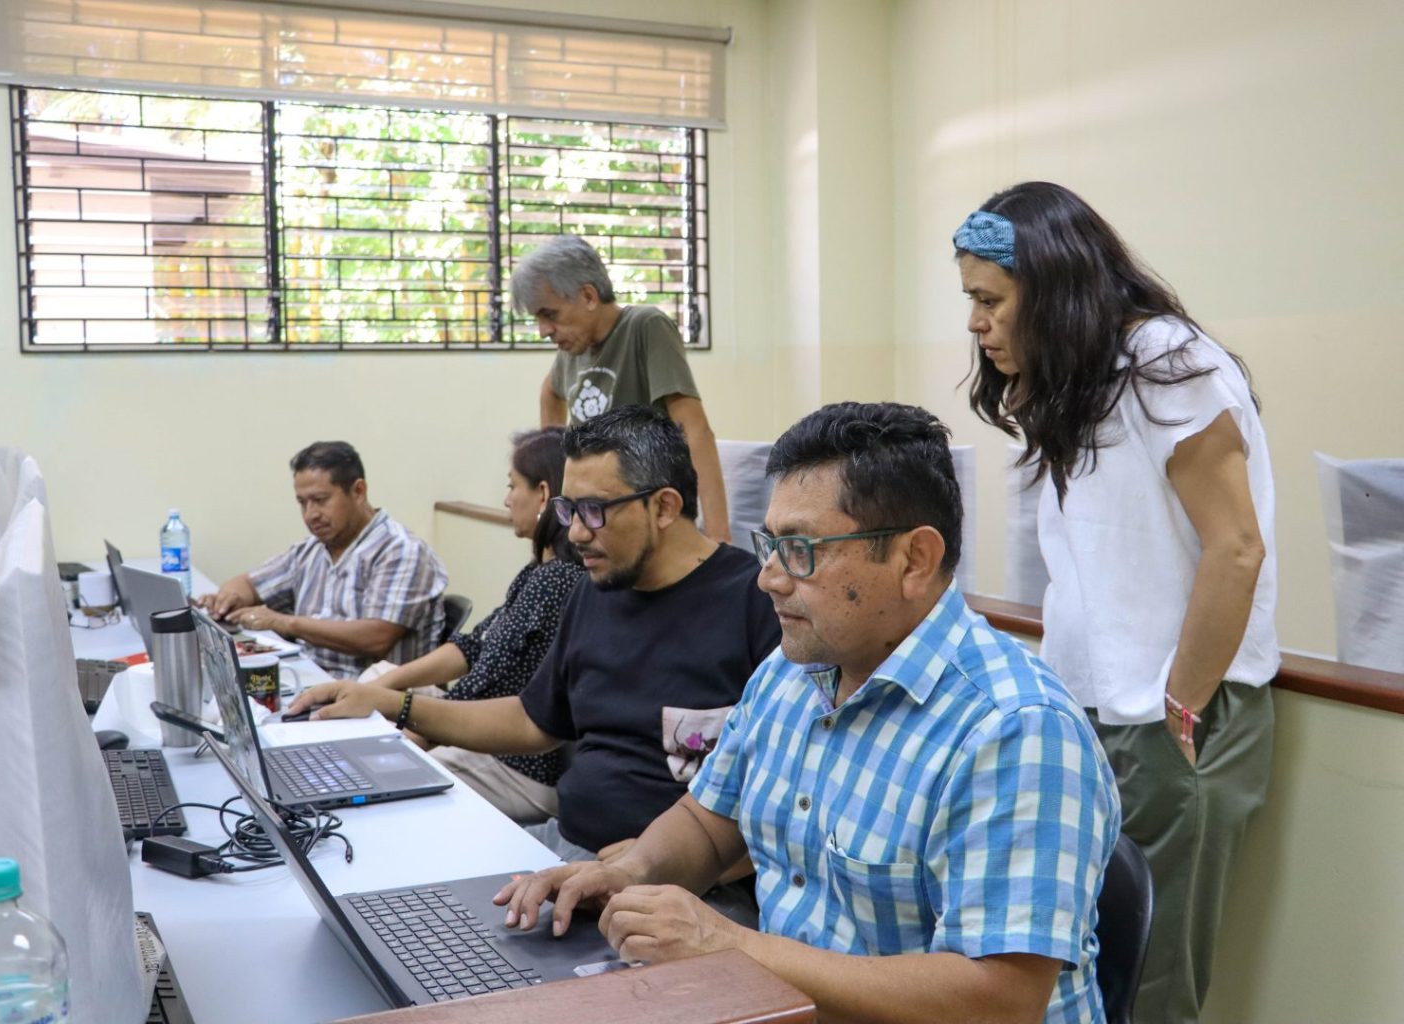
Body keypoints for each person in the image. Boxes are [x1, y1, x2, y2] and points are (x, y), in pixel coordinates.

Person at [495, 402, 1121, 1024]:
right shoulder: (793, 671)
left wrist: (730, 946)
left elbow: (1001, 1000)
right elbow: (709, 821)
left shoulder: (1015, 729)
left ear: (914, 560)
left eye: (799, 550)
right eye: (769, 544)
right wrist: (628, 872)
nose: (767, 578)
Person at [954, 181, 1278, 1024]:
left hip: (1174, 716)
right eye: (971, 302)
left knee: (1153, 991)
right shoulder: (1086, 378)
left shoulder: (1168, 363)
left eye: (990, 301)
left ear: (1053, 288)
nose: (976, 323)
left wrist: (1181, 706)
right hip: (1097, 712)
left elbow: (1236, 549)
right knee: (1084, 976)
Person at [289, 407, 779, 861]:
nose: (577, 533)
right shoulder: (596, 590)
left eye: (594, 510)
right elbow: (533, 721)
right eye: (569, 510)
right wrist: (389, 702)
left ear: (665, 507)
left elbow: (788, 802)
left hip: (678, 878)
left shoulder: (756, 603)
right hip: (569, 843)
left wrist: (654, 865)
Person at [285, 428, 584, 824]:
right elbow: (473, 647)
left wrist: (403, 734)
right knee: (379, 676)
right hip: (489, 731)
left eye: (512, 486)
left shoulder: (556, 579)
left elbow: (483, 685)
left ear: (543, 494)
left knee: (384, 781)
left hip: (518, 765)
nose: (506, 499)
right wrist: (380, 687)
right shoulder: (538, 571)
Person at [512, 235, 733, 544]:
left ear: (588, 296)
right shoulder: (572, 351)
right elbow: (549, 392)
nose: (544, 331)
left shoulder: (645, 326)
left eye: (550, 315)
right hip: (592, 520)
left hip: (645, 517)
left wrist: (718, 534)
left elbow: (694, 429)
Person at [200, 441, 448, 676]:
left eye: (320, 500)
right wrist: (228, 599)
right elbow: (247, 584)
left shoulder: (401, 550)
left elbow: (376, 638)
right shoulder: (311, 549)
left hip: (373, 696)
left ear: (358, 491)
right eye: (302, 503)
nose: (311, 514)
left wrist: (285, 623)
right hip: (311, 680)